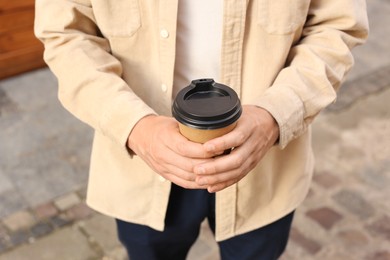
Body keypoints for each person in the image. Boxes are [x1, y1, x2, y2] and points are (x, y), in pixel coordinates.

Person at [35, 0, 368, 259]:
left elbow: (337, 25)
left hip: (266, 163)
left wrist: (276, 115)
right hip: (143, 163)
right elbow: (65, 35)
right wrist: (137, 128)